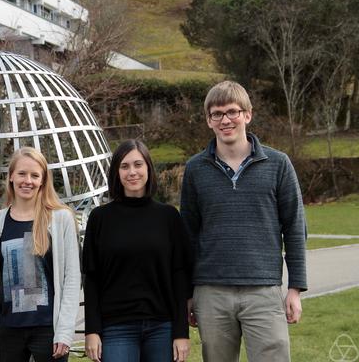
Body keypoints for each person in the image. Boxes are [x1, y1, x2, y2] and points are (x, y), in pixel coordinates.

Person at [180, 80, 307, 362]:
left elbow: (295, 228)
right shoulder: (195, 169)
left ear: (247, 115)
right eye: (217, 114)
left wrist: (295, 289)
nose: (225, 120)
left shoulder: (278, 164)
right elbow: (187, 236)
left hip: (264, 290)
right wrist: (188, 293)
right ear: (208, 121)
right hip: (211, 293)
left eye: (232, 112)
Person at [82, 139, 192, 362]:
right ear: (116, 172)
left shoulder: (169, 217)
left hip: (162, 326)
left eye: (138, 164)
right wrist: (92, 331)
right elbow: (91, 278)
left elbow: (180, 276)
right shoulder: (100, 218)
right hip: (115, 328)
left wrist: (181, 332)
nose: (132, 172)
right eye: (124, 166)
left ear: (148, 169)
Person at [0, 147, 81, 362]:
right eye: (22, 174)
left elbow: (72, 279)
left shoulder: (61, 219)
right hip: (8, 330)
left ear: (43, 181)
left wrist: (64, 331)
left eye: (35, 175)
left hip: (48, 330)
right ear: (10, 177)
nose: (28, 181)